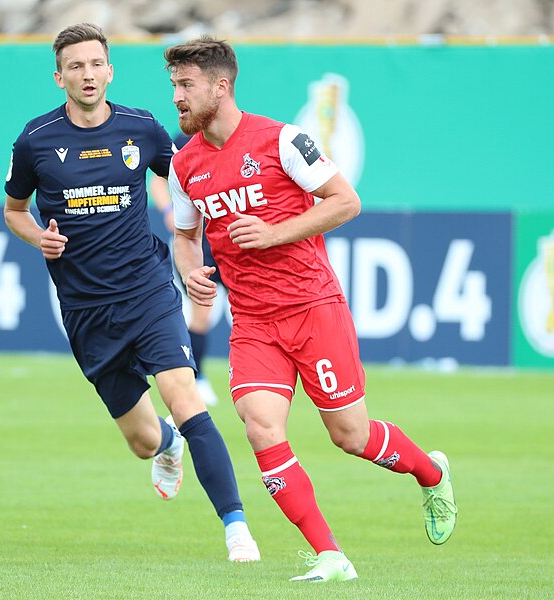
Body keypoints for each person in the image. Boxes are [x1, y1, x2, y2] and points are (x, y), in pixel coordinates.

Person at [165, 36, 457, 582]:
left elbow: (346, 201)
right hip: (253, 323)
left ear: (220, 86)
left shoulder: (282, 141)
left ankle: (430, 473)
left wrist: (273, 232)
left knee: (351, 436)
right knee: (260, 428)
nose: (177, 97)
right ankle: (331, 555)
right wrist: (189, 272)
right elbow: (185, 236)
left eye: (187, 85)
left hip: (312, 307)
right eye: (174, 85)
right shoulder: (184, 165)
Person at [3, 23, 259, 562]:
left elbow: (190, 175)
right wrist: (38, 238)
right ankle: (168, 447)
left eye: (96, 64)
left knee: (185, 398)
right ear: (59, 77)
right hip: (86, 311)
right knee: (144, 441)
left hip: (148, 292)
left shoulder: (141, 128)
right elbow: (15, 211)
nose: (87, 74)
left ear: (110, 70)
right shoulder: (35, 140)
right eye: (76, 66)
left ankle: (237, 529)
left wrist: (209, 232)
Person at [149, 132, 222, 406]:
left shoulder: (233, 135)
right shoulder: (184, 140)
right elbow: (157, 181)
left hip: (229, 236)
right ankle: (198, 377)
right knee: (202, 312)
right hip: (198, 242)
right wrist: (168, 211)